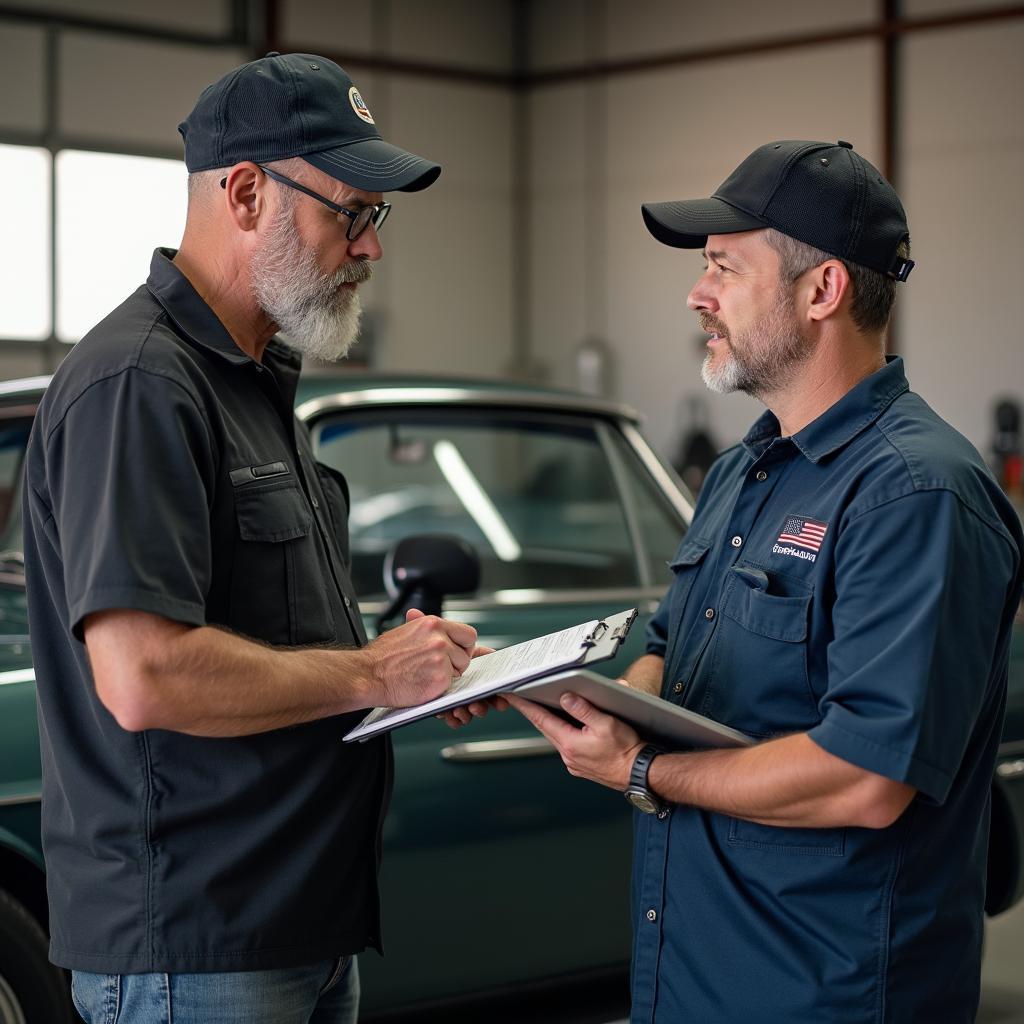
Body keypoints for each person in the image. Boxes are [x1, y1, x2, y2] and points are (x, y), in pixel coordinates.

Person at [504, 140, 1024, 1022]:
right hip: (693, 977)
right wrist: (609, 699)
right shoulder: (744, 471)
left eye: (723, 269)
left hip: (827, 993)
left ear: (821, 291)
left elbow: (865, 776)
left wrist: (642, 770)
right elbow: (672, 646)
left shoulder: (915, 494)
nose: (696, 295)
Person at [23, 52, 479, 1024]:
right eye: (351, 213)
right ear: (242, 193)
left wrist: (409, 670)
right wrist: (371, 677)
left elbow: (264, 647)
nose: (370, 249)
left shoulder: (252, 379)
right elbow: (146, 675)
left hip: (289, 929)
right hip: (196, 951)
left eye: (375, 219)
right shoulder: (143, 384)